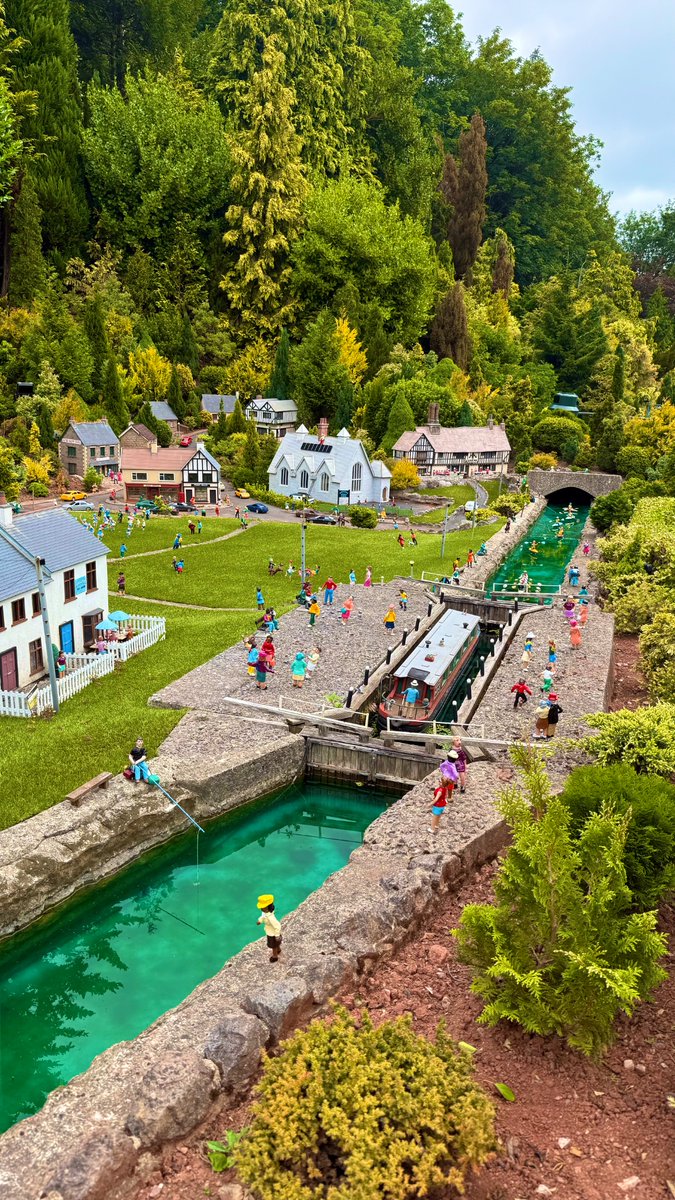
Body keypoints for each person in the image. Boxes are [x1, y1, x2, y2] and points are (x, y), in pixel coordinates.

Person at [256, 894, 282, 963]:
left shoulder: (270, 917)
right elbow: (263, 918)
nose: (262, 909)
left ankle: (275, 956)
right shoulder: (265, 914)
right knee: (276, 944)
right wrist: (260, 921)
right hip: (270, 932)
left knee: (273, 946)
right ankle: (278, 950)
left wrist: (277, 935)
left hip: (272, 934)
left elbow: (277, 926)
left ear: (268, 907)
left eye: (263, 907)